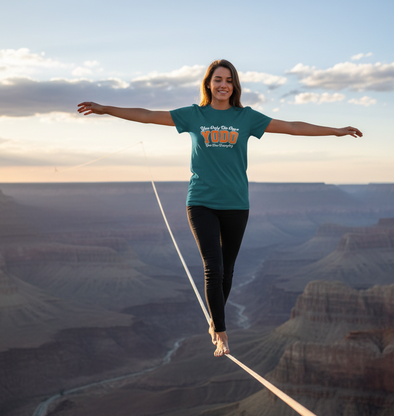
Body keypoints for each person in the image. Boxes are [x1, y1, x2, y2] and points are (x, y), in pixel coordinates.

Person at [78, 59, 362, 357]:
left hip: (237, 204)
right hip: (201, 202)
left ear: (235, 85)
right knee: (213, 267)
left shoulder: (247, 118)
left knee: (228, 271)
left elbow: (291, 127)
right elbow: (148, 115)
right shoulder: (194, 115)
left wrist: (336, 131)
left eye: (228, 79)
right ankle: (221, 333)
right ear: (208, 84)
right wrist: (106, 108)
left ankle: (216, 319)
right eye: (217, 79)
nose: (223, 84)